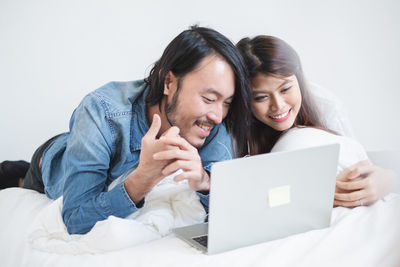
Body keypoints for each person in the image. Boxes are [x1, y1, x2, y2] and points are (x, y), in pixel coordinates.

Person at [0, 26, 251, 234]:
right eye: (208, 98)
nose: (218, 115)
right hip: (52, 162)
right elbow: (76, 219)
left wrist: (205, 182)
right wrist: (143, 178)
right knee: (22, 183)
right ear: (169, 82)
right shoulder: (101, 111)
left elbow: (228, 210)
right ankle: (18, 173)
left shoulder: (213, 122)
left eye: (227, 102)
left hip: (88, 147)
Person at [236, 35, 399, 208]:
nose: (278, 105)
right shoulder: (237, 130)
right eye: (261, 97)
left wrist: (388, 179)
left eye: (285, 89)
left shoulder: (326, 107)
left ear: (298, 79)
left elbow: (361, 158)